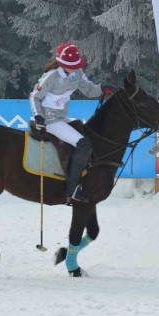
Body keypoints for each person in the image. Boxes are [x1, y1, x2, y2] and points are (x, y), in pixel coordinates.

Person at [30, 43, 115, 205]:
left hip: (62, 117)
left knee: (89, 137)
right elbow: (35, 97)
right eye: (72, 66)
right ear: (61, 63)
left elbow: (89, 89)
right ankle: (71, 189)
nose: (75, 68)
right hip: (50, 120)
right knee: (83, 144)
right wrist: (38, 116)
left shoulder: (77, 72)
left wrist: (102, 88)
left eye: (77, 65)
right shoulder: (51, 76)